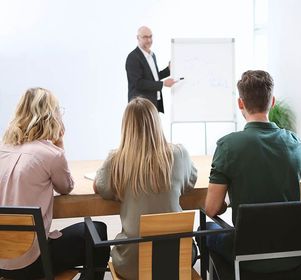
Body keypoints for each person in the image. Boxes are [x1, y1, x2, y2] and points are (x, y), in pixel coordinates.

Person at [0, 88, 109, 280]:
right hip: (30, 262)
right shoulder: (50, 154)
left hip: (2, 259)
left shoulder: (3, 149)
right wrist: (60, 144)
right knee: (97, 231)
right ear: (51, 116)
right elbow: (66, 187)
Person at [203, 70, 301, 273]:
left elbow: (212, 209)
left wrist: (228, 203)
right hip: (292, 250)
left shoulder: (228, 146)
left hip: (247, 251)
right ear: (272, 101)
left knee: (204, 230)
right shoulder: (295, 143)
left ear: (241, 103)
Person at [94, 97, 197, 280]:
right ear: (157, 122)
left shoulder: (116, 160)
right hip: (177, 259)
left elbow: (101, 187)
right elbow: (190, 183)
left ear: (126, 127)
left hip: (132, 263)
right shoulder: (179, 154)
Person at [125, 26, 175, 113]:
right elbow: (138, 83)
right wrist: (163, 84)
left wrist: (168, 70)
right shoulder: (133, 57)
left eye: (150, 36)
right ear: (138, 38)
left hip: (153, 102)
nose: (149, 40)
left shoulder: (152, 55)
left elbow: (153, 77)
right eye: (145, 37)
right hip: (140, 105)